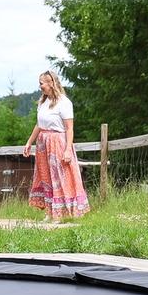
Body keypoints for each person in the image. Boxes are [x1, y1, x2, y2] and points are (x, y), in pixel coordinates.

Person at [21, 70, 90, 221]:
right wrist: (29, 142)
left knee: (60, 177)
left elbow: (69, 128)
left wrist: (67, 150)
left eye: (42, 83)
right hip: (43, 144)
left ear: (51, 83)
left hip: (57, 142)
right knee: (46, 177)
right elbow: (39, 124)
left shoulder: (64, 103)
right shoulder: (43, 102)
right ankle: (50, 212)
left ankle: (63, 213)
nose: (40, 86)